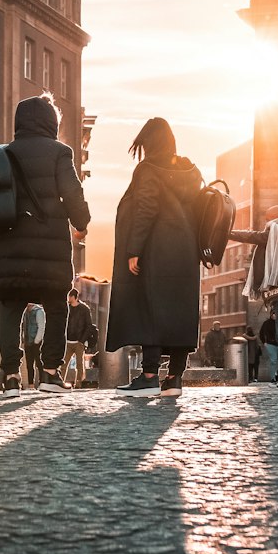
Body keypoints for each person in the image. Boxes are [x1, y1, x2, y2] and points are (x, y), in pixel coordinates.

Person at [0, 93, 90, 398]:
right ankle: (49, 373)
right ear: (51, 122)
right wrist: (82, 222)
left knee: (10, 307)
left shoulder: (3, 153)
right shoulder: (60, 152)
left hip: (11, 243)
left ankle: (8, 376)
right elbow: (72, 191)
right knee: (56, 307)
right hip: (49, 247)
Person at [107, 117, 203, 399]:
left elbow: (146, 208)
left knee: (150, 309)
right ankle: (174, 379)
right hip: (186, 254)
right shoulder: (191, 170)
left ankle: (148, 376)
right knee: (179, 313)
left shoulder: (149, 169)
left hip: (157, 251)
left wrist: (133, 248)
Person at [229, 205, 278, 386]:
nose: (265, 224)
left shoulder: (275, 234)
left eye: (267, 220)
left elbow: (250, 236)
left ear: (273, 219)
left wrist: (226, 232)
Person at [64, 288, 96, 388]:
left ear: (74, 297)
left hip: (79, 342)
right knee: (63, 364)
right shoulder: (67, 308)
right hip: (68, 341)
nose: (68, 298)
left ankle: (78, 384)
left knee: (79, 364)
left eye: (69, 296)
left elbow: (88, 325)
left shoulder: (84, 309)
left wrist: (82, 340)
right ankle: (61, 381)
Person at [21, 303, 46, 387]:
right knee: (29, 364)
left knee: (39, 363)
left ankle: (42, 382)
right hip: (28, 341)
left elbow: (41, 327)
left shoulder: (39, 311)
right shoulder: (25, 312)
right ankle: (31, 384)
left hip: (37, 342)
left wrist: (37, 340)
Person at [259, 312, 278, 383]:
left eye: (276, 314)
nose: (274, 315)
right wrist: (264, 342)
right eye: (273, 314)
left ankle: (276, 372)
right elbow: (261, 333)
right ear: (271, 315)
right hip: (270, 343)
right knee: (273, 360)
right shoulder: (266, 323)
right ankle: (272, 377)